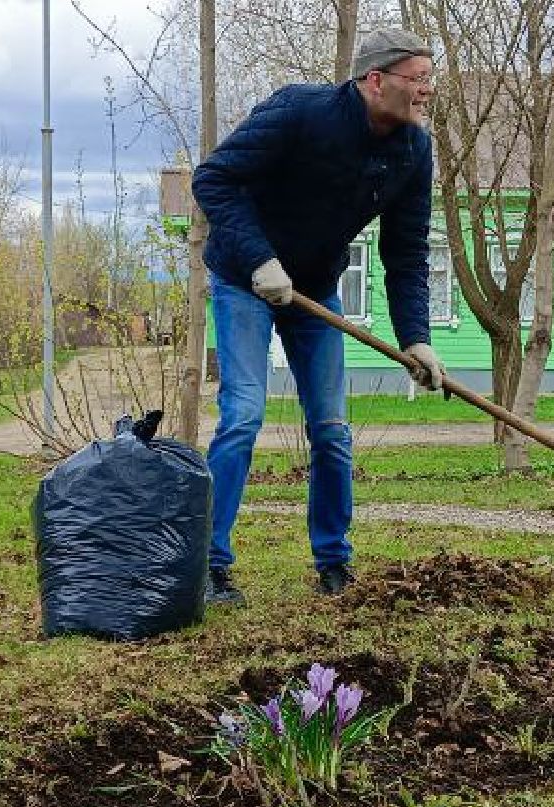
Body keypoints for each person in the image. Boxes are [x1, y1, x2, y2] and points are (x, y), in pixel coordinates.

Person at [190, 27, 447, 607]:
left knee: (331, 430)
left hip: (314, 290)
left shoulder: (413, 150)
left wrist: (416, 338)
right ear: (376, 80)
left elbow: (406, 252)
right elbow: (213, 178)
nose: (428, 90)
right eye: (419, 78)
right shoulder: (299, 112)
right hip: (244, 278)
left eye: (431, 79)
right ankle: (208, 564)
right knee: (243, 416)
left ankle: (333, 561)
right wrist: (260, 259)